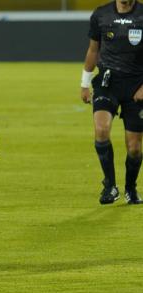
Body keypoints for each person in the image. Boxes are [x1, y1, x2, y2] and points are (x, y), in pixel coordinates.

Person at [81, 0, 143, 205]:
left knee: (134, 148)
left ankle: (131, 189)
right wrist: (85, 83)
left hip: (137, 86)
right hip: (108, 82)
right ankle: (110, 186)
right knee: (101, 131)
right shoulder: (101, 14)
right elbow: (93, 49)